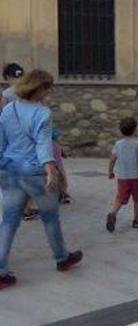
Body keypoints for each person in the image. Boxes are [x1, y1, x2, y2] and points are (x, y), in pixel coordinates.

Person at [0, 70, 82, 290]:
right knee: (50, 218)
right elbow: (43, 143)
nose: (49, 92)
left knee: (8, 221)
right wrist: (51, 169)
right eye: (48, 87)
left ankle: (0, 270)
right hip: (35, 172)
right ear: (39, 88)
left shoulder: (8, 109)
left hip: (10, 170)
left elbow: (2, 141)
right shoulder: (42, 113)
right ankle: (62, 258)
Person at [52, 127, 71, 204]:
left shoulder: (46, 144)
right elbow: (64, 154)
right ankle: (64, 194)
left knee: (54, 180)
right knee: (62, 180)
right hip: (58, 165)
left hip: (51, 165)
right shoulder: (57, 144)